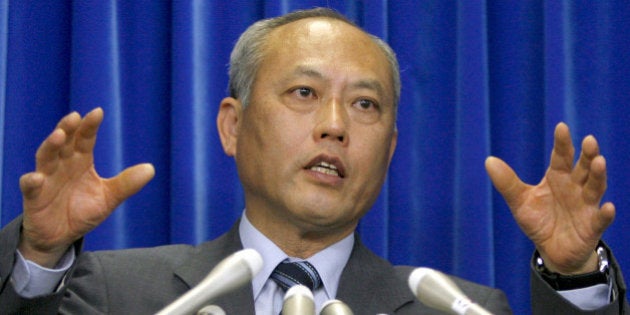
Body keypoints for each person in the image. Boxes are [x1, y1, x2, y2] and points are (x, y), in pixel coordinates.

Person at [0, 7, 626, 314]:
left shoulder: (458, 309)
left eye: (364, 105)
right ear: (233, 125)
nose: (334, 126)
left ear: (391, 150)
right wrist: (39, 256)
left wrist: (573, 275)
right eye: (304, 93)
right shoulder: (119, 295)